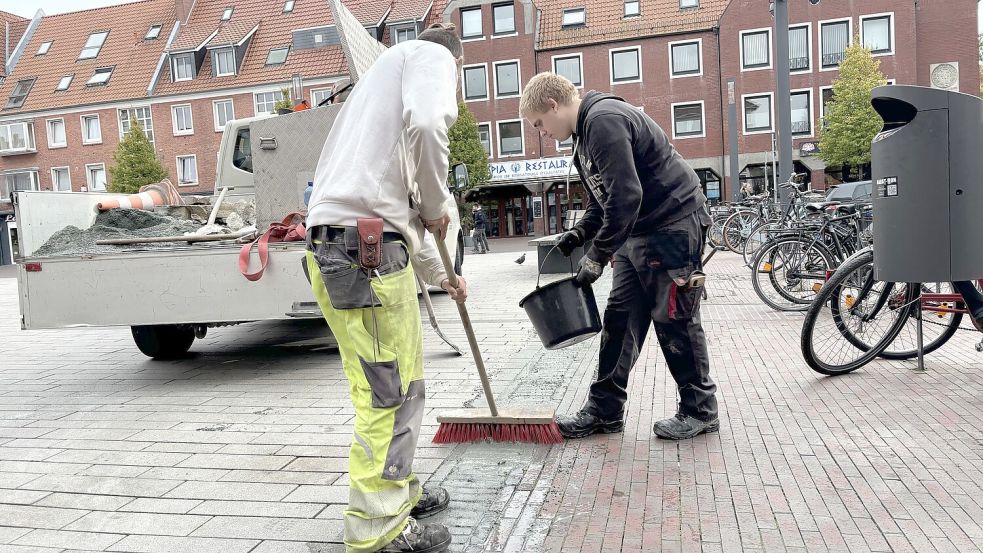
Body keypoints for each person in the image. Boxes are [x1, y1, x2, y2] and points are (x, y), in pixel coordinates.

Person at [305, 23, 467, 553]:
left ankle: (398, 490)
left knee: (398, 384)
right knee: (389, 396)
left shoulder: (377, 91)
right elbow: (428, 125)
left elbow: (398, 206)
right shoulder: (429, 57)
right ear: (456, 65)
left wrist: (443, 276)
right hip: (365, 257)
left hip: (347, 250)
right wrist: (440, 202)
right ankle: (377, 528)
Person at [519, 72, 719, 441]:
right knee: (620, 318)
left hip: (674, 223)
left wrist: (596, 256)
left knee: (674, 317)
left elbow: (627, 197)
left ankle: (700, 409)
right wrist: (580, 232)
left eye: (539, 124)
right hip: (639, 232)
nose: (541, 132)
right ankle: (604, 410)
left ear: (552, 105)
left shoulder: (603, 121)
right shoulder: (583, 138)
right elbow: (605, 200)